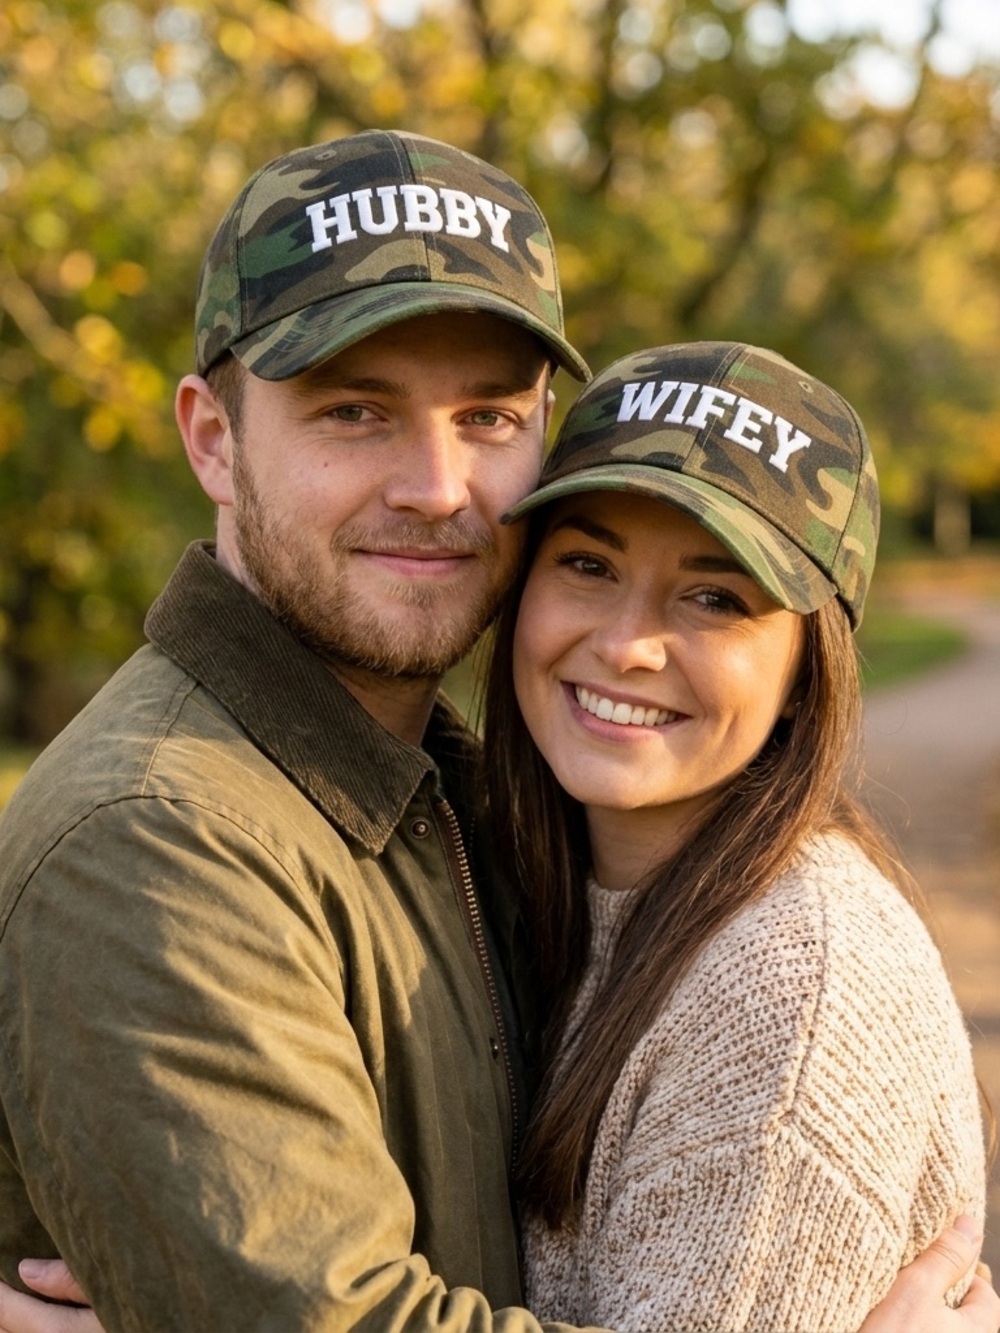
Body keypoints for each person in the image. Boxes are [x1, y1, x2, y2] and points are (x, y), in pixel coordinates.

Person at [0, 128, 993, 1333]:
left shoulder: (454, 800)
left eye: (484, 417)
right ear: (213, 436)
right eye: (355, 410)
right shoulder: (163, 837)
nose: (435, 484)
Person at [479, 340, 990, 1331]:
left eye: (715, 598)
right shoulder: (519, 874)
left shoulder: (790, 996)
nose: (627, 642)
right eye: (587, 564)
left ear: (806, 672)